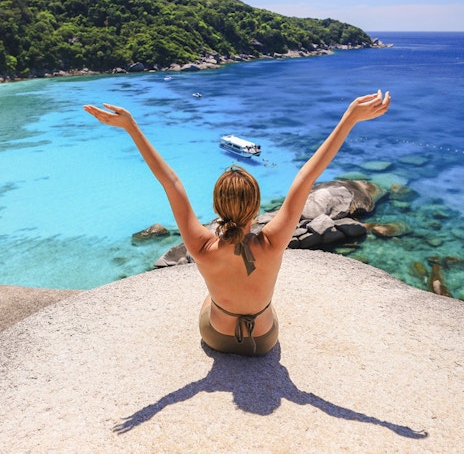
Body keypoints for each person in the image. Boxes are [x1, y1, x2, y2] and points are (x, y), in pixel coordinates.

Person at [84, 89, 390, 356]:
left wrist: (131, 127)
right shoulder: (272, 242)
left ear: (217, 206)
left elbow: (171, 182)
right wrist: (349, 118)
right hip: (264, 340)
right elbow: (307, 175)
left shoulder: (202, 245)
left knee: (211, 297)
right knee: (264, 306)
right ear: (256, 208)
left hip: (217, 337)